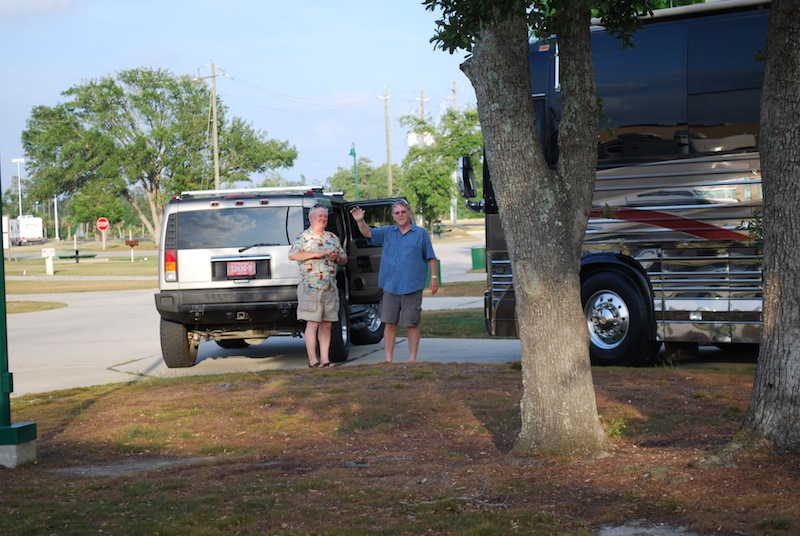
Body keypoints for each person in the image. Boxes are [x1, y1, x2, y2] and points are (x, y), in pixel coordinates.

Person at [350, 200, 438, 363]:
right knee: (389, 324)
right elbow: (368, 233)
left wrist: (434, 278)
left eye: (403, 212)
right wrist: (360, 220)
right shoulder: (387, 232)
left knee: (411, 324)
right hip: (390, 286)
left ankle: (412, 359)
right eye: (397, 213)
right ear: (393, 216)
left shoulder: (420, 234)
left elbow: (431, 257)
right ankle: (388, 360)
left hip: (412, 286)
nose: (400, 215)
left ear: (409, 213)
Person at [288, 204, 348, 368]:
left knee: (327, 323)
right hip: (311, 287)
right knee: (313, 323)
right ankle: (313, 360)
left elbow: (344, 259)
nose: (323, 219)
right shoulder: (304, 238)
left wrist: (336, 257)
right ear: (311, 218)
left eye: (325, 216)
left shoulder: (332, 238)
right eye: (319, 216)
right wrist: (317, 253)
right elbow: (293, 255)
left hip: (330, 287)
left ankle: (325, 359)